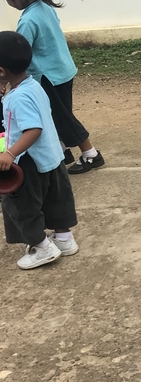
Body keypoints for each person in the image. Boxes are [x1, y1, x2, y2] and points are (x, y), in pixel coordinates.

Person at [0, 0, 103, 174]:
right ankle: (63, 151)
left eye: (5, 0)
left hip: (48, 77)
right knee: (54, 115)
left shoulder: (27, 21)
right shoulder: (44, 7)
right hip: (63, 70)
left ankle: (91, 154)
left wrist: (4, 81)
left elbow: (17, 54)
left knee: (63, 118)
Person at [0, 31, 78, 269]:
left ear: (1, 71)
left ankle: (43, 247)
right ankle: (64, 239)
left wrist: (10, 153)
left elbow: (33, 129)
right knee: (56, 198)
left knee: (20, 205)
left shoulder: (17, 98)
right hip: (52, 156)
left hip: (29, 161)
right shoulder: (33, 85)